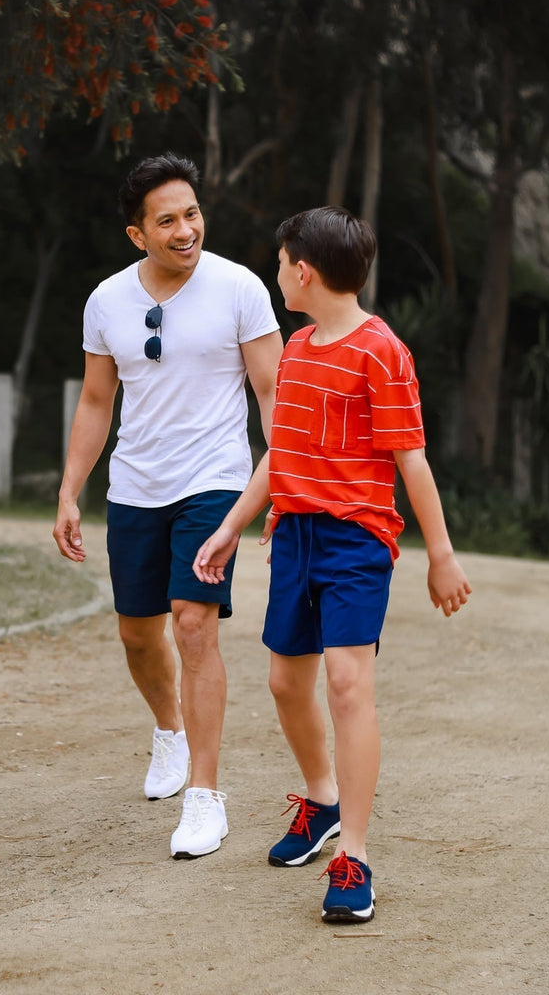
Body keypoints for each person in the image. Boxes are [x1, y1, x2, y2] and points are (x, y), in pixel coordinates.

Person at [193, 206, 471, 922]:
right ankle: (321, 800)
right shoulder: (300, 347)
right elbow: (279, 455)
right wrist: (230, 527)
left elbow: (412, 459)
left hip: (355, 543)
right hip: (294, 537)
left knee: (347, 684)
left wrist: (440, 555)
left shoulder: (383, 351)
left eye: (282, 262)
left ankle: (356, 854)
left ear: (303, 271)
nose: (277, 271)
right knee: (287, 681)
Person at [54, 153, 282, 859]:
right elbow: (97, 401)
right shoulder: (106, 301)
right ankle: (170, 732)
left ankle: (205, 799)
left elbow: (274, 395)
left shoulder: (239, 289)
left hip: (214, 482)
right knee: (136, 632)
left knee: (193, 626)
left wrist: (280, 486)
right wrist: (69, 489)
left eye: (192, 213)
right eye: (168, 220)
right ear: (137, 234)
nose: (186, 230)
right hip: (134, 487)